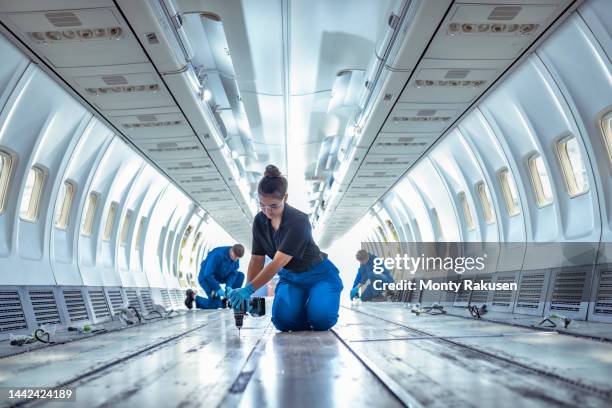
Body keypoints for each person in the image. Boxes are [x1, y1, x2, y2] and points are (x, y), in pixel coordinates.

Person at [228, 165, 343, 331]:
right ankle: (304, 309)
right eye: (262, 205)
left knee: (322, 320)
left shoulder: (298, 221)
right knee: (283, 322)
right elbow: (256, 259)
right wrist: (247, 294)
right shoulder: (260, 222)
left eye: (273, 206)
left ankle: (315, 308)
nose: (267, 211)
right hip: (291, 278)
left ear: (285, 198)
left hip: (319, 275)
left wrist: (247, 290)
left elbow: (277, 263)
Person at [184, 244, 245, 309]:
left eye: (238, 258)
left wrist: (228, 286)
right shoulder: (217, 254)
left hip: (220, 276)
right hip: (206, 278)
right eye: (235, 257)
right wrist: (217, 288)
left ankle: (229, 299)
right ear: (232, 251)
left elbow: (233, 273)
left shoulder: (235, 257)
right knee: (215, 305)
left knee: (240, 276)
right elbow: (207, 274)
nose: (236, 260)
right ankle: (193, 296)